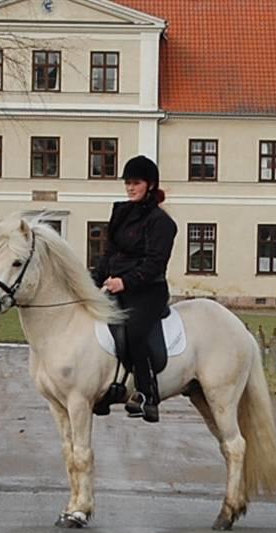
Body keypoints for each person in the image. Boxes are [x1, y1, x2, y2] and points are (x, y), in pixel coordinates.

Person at [92, 155, 177, 423]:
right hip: (118, 287)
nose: (130, 188)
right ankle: (110, 387)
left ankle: (146, 394)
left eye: (136, 183)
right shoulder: (121, 212)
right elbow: (109, 254)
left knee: (135, 331)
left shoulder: (162, 222)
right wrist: (93, 282)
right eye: (127, 183)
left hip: (148, 290)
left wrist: (125, 282)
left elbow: (154, 264)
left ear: (150, 185)